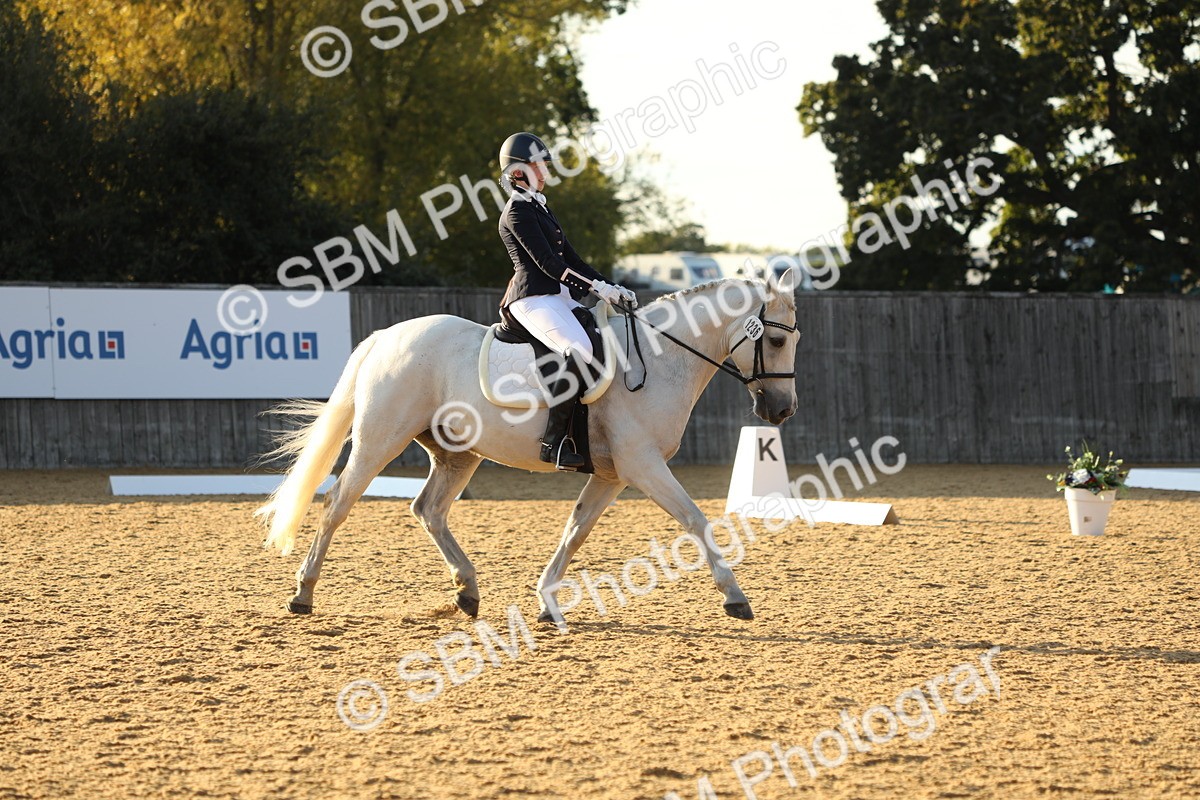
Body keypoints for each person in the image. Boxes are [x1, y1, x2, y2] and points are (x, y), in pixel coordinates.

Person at [496, 131, 637, 471]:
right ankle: (554, 443)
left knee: (603, 339)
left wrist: (610, 285)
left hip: (556, 296)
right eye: (537, 167)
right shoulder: (517, 212)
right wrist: (595, 290)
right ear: (518, 172)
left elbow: (573, 259)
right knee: (578, 349)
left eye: (544, 166)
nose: (544, 174)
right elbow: (549, 264)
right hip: (530, 299)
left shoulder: (542, 210)